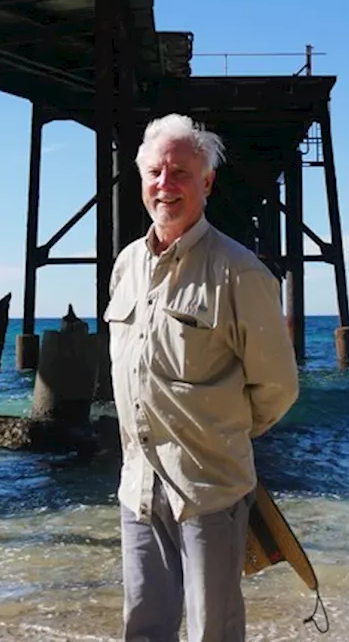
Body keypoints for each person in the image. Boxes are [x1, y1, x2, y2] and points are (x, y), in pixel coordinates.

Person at [103, 113, 301, 642]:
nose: (166, 185)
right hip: (138, 488)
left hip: (208, 489)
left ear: (207, 182)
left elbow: (278, 387)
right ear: (141, 179)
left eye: (181, 173)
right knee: (142, 628)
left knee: (212, 632)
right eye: (155, 173)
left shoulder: (241, 272)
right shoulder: (126, 266)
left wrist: (222, 433)